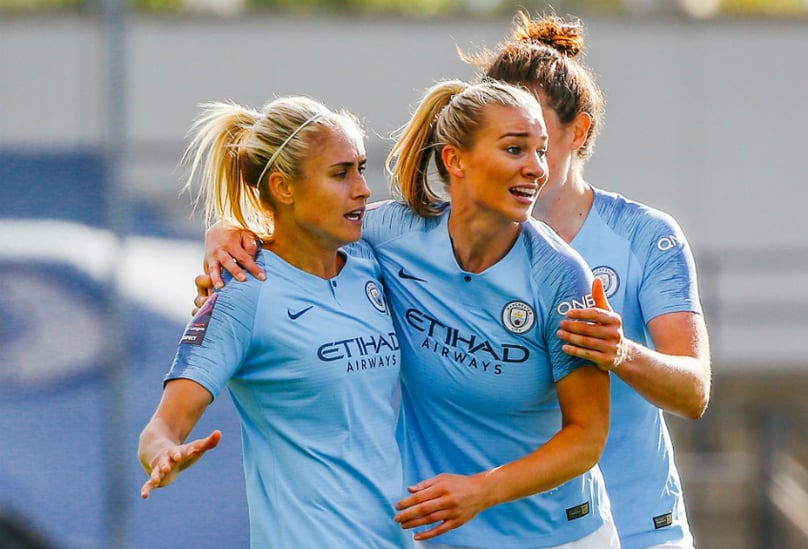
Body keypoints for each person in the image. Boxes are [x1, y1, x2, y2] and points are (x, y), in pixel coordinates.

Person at [197, 80, 619, 548]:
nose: (536, 169)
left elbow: (587, 436)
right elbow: (303, 226)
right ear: (454, 160)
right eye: (515, 149)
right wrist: (229, 233)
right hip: (440, 535)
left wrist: (483, 489)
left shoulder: (560, 275)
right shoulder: (391, 233)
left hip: (556, 537)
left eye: (540, 151)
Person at [463, 12, 713, 549]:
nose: (522, 154)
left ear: (580, 131)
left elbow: (694, 390)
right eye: (505, 137)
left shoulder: (644, 235)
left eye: (536, 135)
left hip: (639, 528)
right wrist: (233, 232)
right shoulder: (448, 240)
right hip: (501, 531)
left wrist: (620, 350)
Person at [137, 96, 411, 548]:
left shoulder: (370, 260)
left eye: (361, 168)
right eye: (341, 173)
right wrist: (163, 455)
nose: (362, 188)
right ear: (283, 188)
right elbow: (161, 428)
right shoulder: (242, 291)